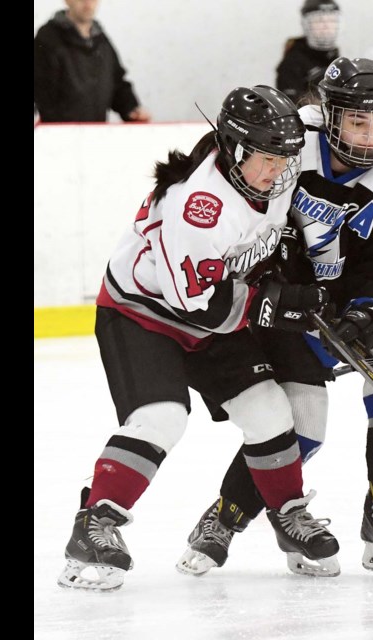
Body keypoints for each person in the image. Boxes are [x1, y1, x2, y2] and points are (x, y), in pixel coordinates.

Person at [57, 85, 341, 591]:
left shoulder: (267, 169)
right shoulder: (199, 205)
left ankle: (288, 514)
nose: (276, 172)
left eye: (283, 159)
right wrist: (277, 305)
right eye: (265, 160)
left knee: (270, 411)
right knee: (162, 417)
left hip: (211, 315)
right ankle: (95, 522)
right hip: (143, 315)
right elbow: (199, 305)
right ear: (234, 151)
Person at [176, 56, 373, 576]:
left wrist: (368, 314)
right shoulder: (291, 143)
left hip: (356, 298)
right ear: (329, 115)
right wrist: (273, 290)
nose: (371, 135)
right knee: (303, 424)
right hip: (289, 300)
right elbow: (242, 212)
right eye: (358, 121)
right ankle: (226, 516)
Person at [34, 0, 151, 123]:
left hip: (95, 135)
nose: (88, 3)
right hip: (61, 135)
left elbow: (117, 83)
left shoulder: (101, 41)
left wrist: (131, 109)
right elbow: (42, 92)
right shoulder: (47, 40)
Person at [276, 0, 342, 107]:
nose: (326, 26)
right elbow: (290, 107)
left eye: (332, 20)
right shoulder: (292, 62)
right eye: (319, 21)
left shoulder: (335, 58)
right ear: (306, 24)